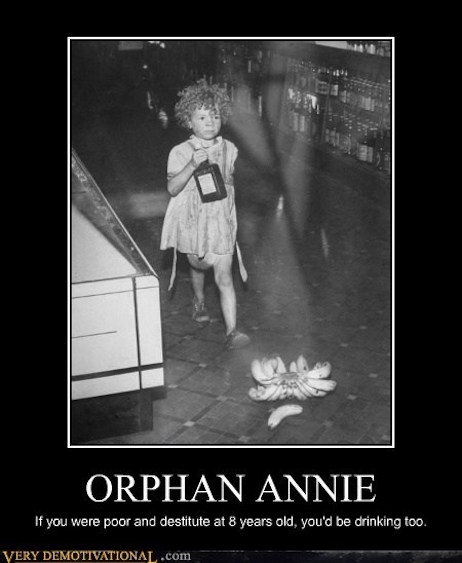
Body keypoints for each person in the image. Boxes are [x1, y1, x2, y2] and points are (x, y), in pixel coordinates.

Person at [160, 79, 250, 349]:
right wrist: (191, 165)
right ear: (189, 121)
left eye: (215, 115)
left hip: (221, 222)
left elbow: (230, 184)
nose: (210, 122)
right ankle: (199, 300)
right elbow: (172, 188)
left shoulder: (230, 149)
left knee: (224, 277)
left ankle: (232, 331)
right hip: (192, 222)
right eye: (202, 117)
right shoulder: (179, 152)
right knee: (198, 265)